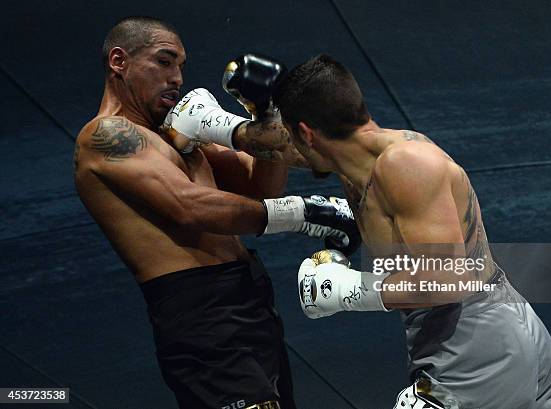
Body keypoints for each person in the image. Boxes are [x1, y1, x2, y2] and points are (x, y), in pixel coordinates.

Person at [74, 17, 360, 409]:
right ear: (119, 61)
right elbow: (188, 207)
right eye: (164, 61)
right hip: (199, 308)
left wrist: (267, 112)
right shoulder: (106, 136)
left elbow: (259, 185)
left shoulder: (176, 134)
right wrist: (304, 213)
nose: (176, 77)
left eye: (181, 66)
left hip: (248, 295)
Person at [270, 54, 551, 409]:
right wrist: (212, 127)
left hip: (471, 342)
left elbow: (449, 279)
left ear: (306, 133)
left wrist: (347, 289)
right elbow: (273, 144)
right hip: (496, 329)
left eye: (293, 135)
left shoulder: (404, 164)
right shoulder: (362, 160)